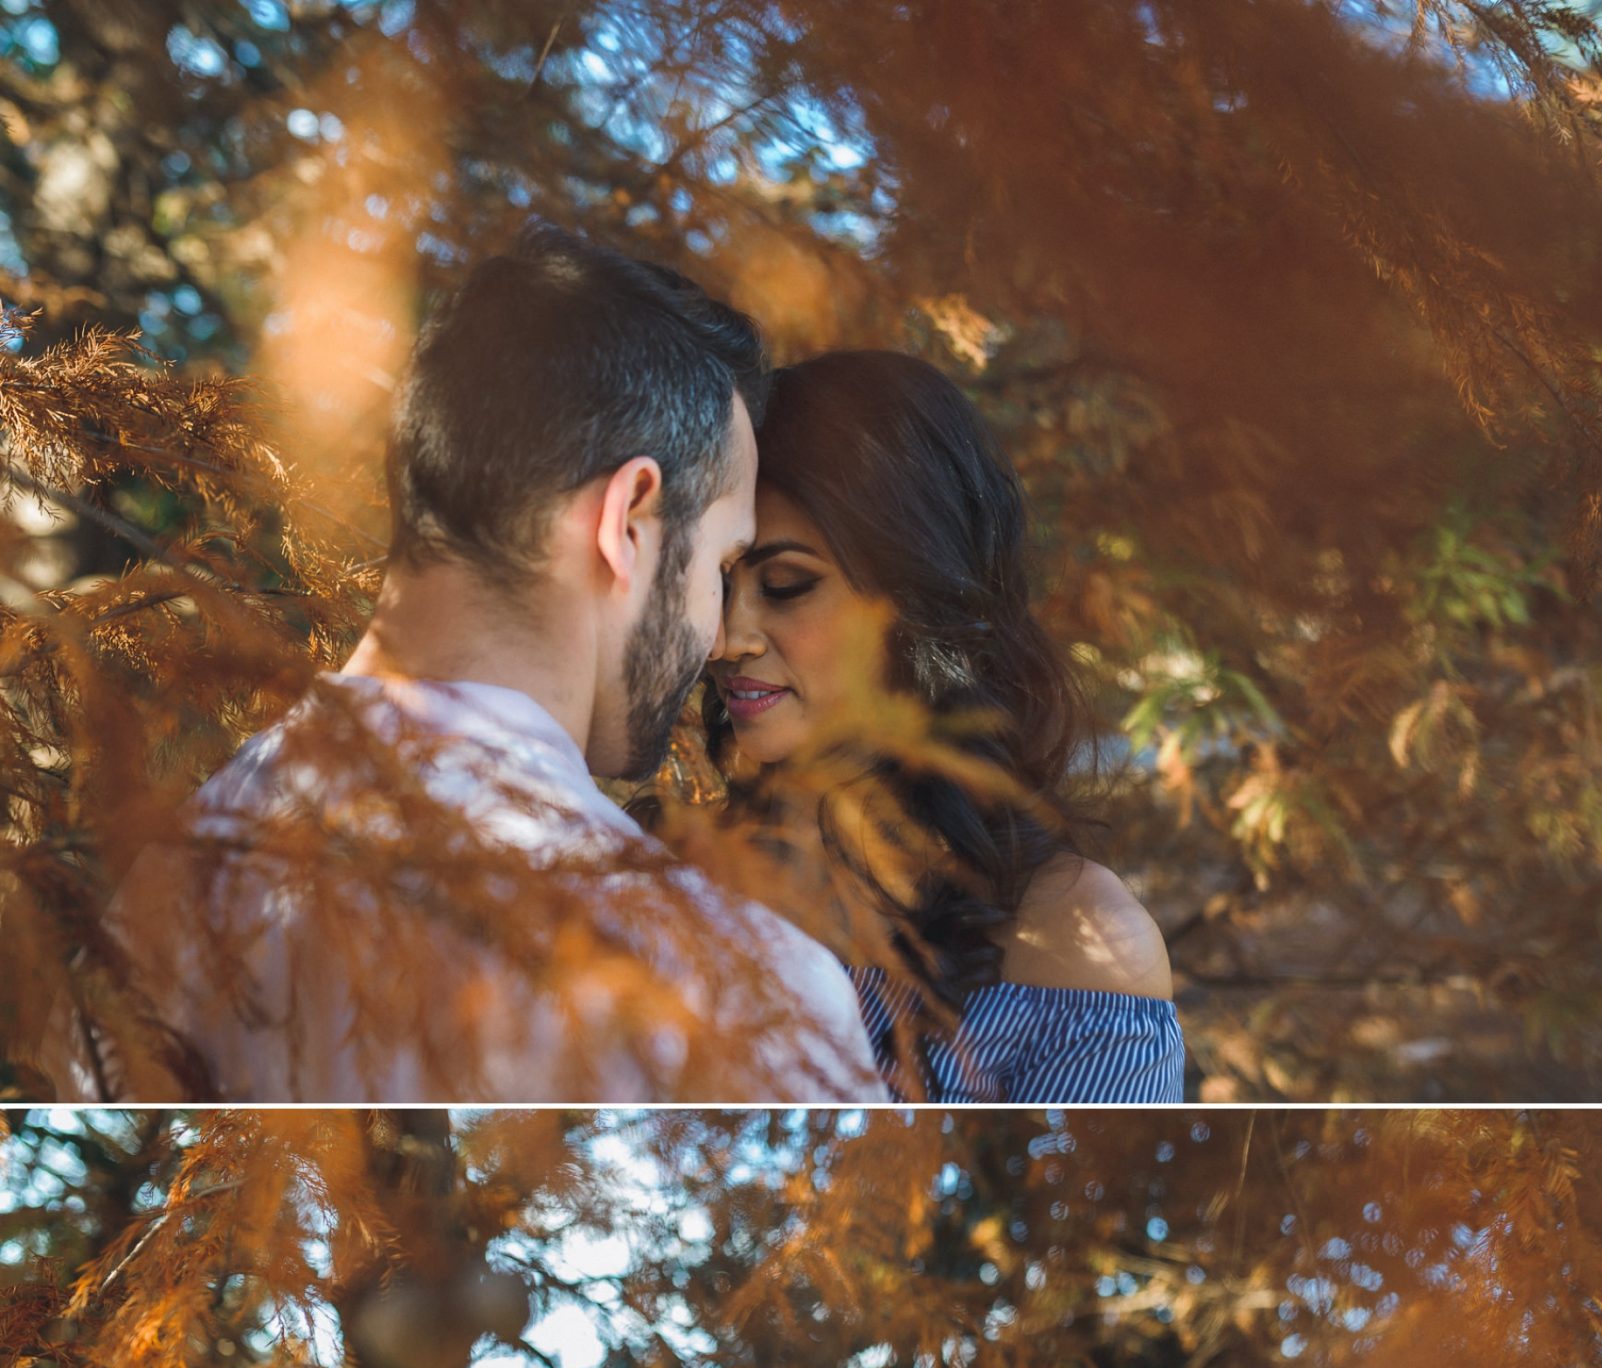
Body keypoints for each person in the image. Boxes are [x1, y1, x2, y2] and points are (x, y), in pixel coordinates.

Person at [36, 224, 883, 1106]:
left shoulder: (156, 898)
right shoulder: (740, 991)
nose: (716, 642)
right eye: (719, 566)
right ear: (627, 519)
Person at [705, 350, 1184, 1105]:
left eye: (787, 586)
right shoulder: (655, 877)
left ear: (917, 600)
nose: (726, 639)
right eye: (718, 581)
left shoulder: (1079, 950)